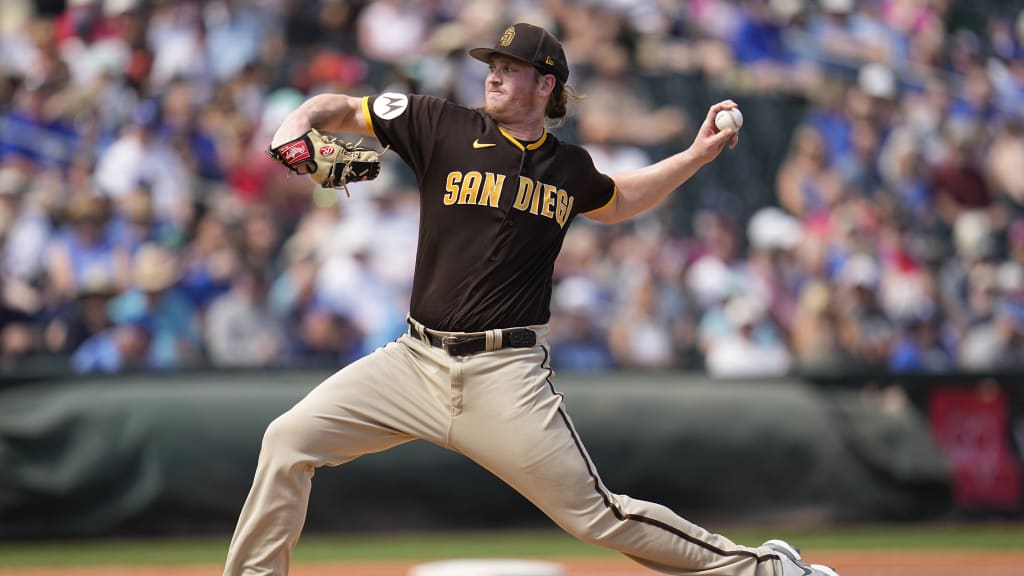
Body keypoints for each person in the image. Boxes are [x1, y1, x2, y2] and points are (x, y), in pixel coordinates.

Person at [223, 22, 839, 576]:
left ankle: (766, 570)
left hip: (504, 374)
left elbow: (620, 200)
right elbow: (336, 108)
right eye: (491, 65)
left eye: (509, 67)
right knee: (288, 439)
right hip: (412, 362)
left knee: (597, 516)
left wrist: (696, 154)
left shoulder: (569, 168)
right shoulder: (441, 123)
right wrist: (296, 131)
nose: (493, 74)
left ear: (546, 85)